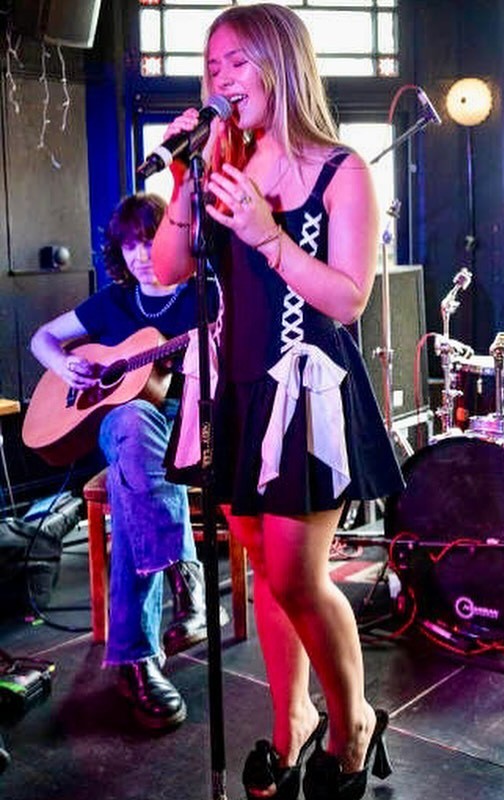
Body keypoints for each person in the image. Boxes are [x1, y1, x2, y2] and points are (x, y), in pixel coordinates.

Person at [153, 4, 404, 798]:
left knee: (297, 575)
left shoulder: (341, 169)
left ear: (282, 64)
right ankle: (292, 720)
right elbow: (166, 269)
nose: (221, 79)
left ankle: (353, 721)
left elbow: (348, 299)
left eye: (237, 62)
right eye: (212, 67)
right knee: (264, 569)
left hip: (305, 387)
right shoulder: (222, 166)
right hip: (233, 389)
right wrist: (184, 183)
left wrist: (267, 235)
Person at [30, 193, 223, 732]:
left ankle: (135, 661)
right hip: (121, 429)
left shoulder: (206, 295)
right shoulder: (113, 301)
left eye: (150, 242)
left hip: (190, 430)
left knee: (132, 470)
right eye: (130, 245)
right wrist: (65, 366)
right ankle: (188, 580)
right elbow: (42, 339)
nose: (140, 256)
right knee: (132, 424)